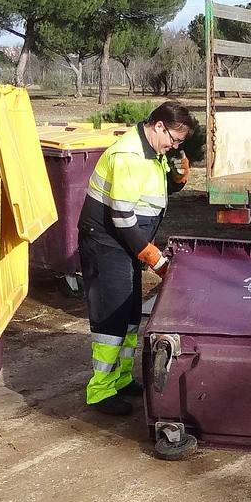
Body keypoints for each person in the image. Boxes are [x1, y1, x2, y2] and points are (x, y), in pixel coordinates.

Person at [78, 100, 196, 415]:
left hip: (124, 243)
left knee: (130, 313)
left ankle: (120, 379)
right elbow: (122, 216)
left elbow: (151, 193)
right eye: (174, 139)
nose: (175, 146)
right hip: (107, 242)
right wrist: (153, 258)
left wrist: (176, 180)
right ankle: (100, 391)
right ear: (159, 126)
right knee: (111, 316)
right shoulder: (129, 155)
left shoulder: (153, 151)